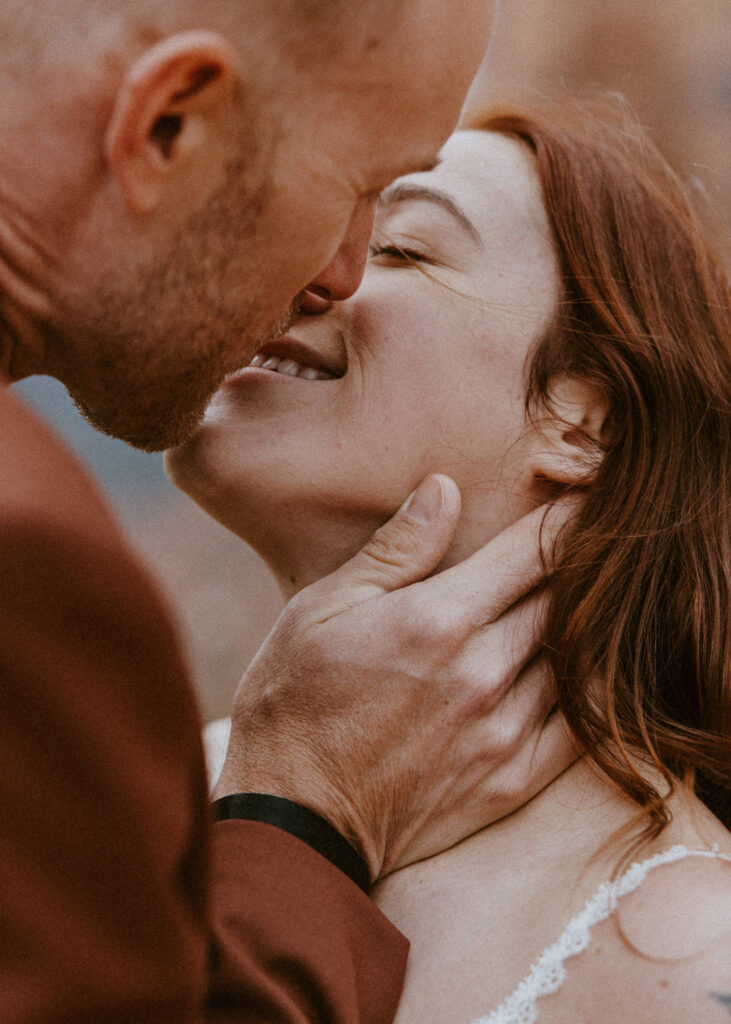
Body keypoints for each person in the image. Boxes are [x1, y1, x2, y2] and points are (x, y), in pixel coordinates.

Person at [0, 3, 579, 1022]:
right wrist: (300, 810)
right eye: (360, 193)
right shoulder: (34, 565)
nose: (342, 270)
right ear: (170, 124)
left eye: (403, 241)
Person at [169, 96, 731, 1023]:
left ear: (581, 418)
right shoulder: (185, 790)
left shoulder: (683, 960)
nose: (307, 269)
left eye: (400, 248)